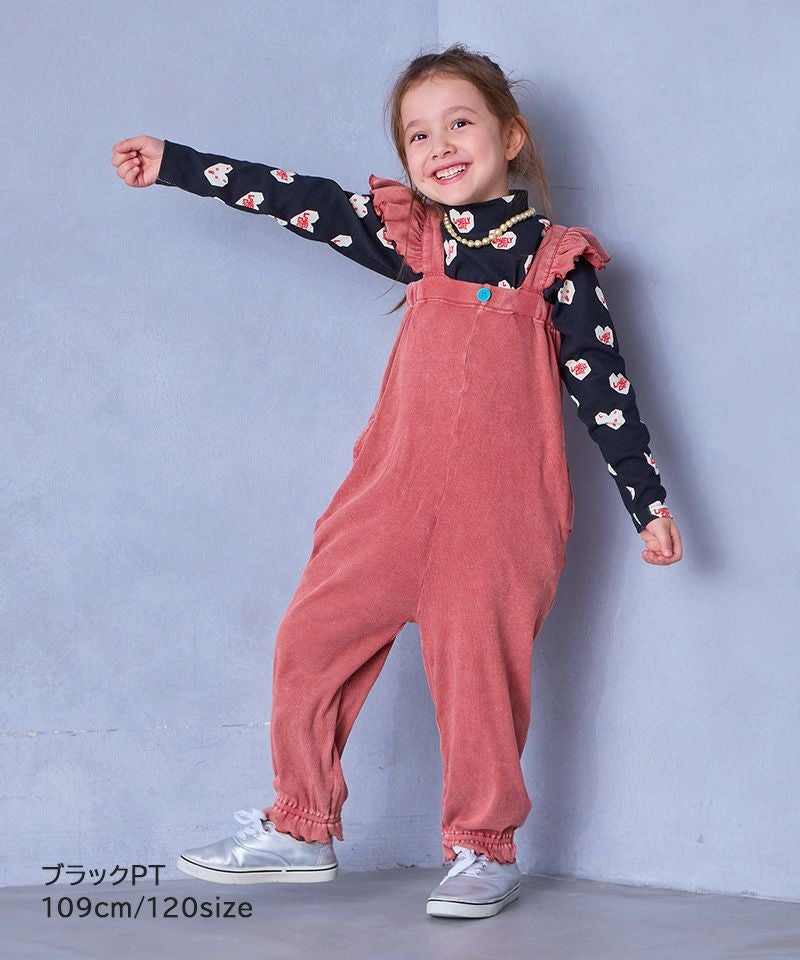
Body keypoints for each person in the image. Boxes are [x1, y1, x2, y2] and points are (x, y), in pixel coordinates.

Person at [111, 43, 683, 920]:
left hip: (499, 520)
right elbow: (295, 199)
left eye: (460, 123)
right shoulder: (414, 238)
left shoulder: (556, 264)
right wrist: (176, 164)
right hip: (386, 503)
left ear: (511, 138)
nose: (439, 146)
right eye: (419, 135)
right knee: (309, 643)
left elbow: (605, 390)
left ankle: (482, 847)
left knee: (479, 685)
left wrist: (648, 504)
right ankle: (301, 826)